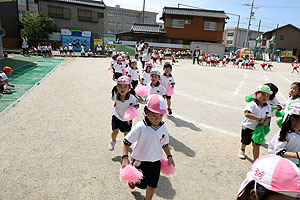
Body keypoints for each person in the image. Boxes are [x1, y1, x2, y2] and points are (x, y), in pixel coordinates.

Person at [122, 94, 175, 200]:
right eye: (154, 115)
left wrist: (169, 156)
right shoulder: (140, 127)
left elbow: (165, 143)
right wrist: (125, 158)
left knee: (152, 184)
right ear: (146, 112)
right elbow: (126, 142)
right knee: (140, 184)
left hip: (156, 162)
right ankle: (131, 180)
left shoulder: (163, 127)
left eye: (160, 115)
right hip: (140, 160)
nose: (157, 118)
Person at [239, 85, 272, 161]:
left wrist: (263, 125)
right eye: (263, 95)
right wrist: (258, 118)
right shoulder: (252, 104)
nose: (265, 97)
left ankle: (256, 162)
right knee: (245, 141)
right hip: (248, 127)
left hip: (259, 130)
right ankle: (242, 149)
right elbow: (247, 114)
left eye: (267, 96)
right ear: (257, 94)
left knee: (257, 146)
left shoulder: (268, 107)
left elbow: (268, 118)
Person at [108, 76, 139, 151]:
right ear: (117, 87)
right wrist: (116, 104)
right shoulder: (115, 95)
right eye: (120, 86)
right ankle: (113, 141)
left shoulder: (132, 98)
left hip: (127, 119)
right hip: (116, 116)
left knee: (127, 133)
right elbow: (115, 101)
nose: (122, 89)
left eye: (125, 87)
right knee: (114, 131)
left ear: (129, 88)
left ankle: (126, 144)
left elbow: (137, 105)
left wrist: (133, 109)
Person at [268, 101, 300, 165]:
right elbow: (279, 151)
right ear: (292, 119)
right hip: (283, 164)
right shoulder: (285, 133)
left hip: (295, 164)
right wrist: (296, 155)